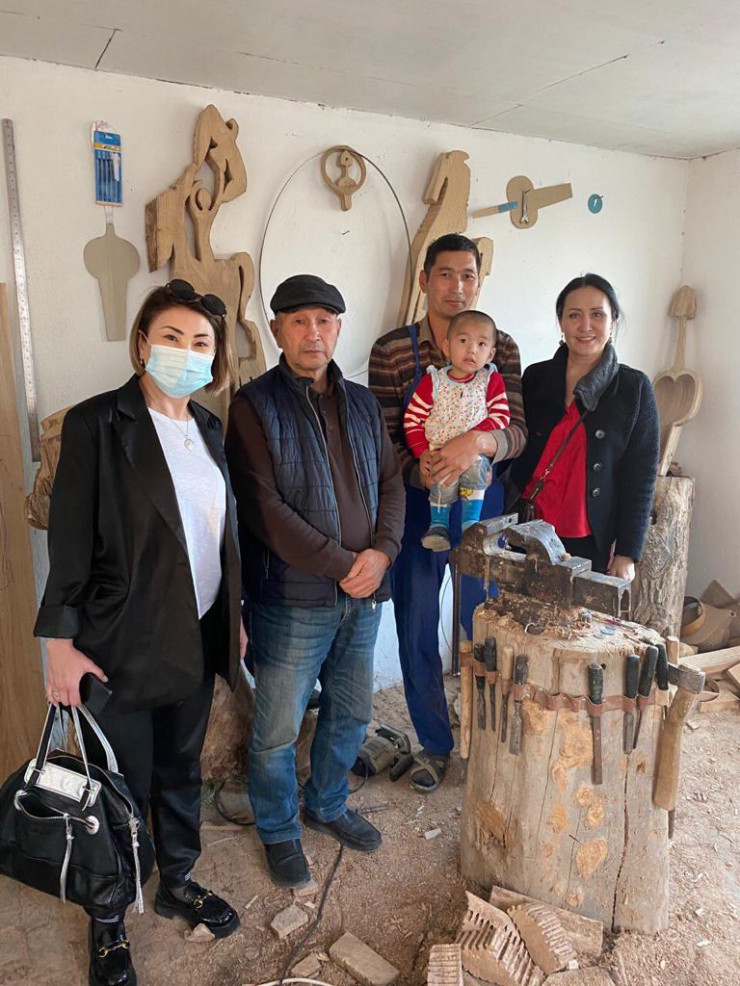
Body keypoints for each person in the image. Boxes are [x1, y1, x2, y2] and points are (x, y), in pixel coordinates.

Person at [34, 279, 245, 986]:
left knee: (182, 770)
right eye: (172, 337)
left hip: (196, 635)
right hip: (117, 643)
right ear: (142, 344)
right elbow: (69, 541)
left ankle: (177, 879)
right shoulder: (99, 423)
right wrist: (58, 644)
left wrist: (234, 621)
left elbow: (218, 538)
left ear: (215, 357)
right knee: (113, 789)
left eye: (201, 342)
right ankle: (108, 919)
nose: (187, 352)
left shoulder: (208, 427)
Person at [225, 274, 405, 889]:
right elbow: (264, 510)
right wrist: (343, 565)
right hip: (292, 601)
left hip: (364, 596)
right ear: (277, 329)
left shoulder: (362, 403)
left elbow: (391, 483)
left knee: (351, 713)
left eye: (324, 321)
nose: (313, 333)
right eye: (299, 321)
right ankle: (278, 829)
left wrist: (382, 554)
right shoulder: (253, 406)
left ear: (338, 329)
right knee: (277, 729)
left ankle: (327, 804)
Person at [369, 234, 527, 792]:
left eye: (468, 275)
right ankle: (435, 745)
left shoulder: (500, 344)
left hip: (483, 503)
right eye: (445, 274)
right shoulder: (392, 351)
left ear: (479, 281)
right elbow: (384, 440)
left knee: (486, 622)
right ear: (424, 280)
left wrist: (477, 445)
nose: (457, 286)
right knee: (415, 623)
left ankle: (492, 742)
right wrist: (427, 469)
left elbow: (517, 431)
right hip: (418, 505)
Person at [506, 273, 659, 580]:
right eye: (574, 315)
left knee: (578, 611)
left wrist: (627, 552)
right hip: (526, 527)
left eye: (597, 315)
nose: (585, 326)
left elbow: (640, 478)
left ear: (613, 321)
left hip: (589, 537)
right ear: (561, 322)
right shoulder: (535, 378)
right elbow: (514, 447)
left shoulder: (634, 388)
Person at [404, 310, 510, 551]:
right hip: (439, 453)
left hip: (475, 454)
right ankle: (438, 525)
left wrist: (471, 440)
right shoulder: (433, 381)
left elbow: (501, 417)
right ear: (447, 347)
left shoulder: (491, 381)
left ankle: (470, 525)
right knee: (442, 479)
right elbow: (413, 419)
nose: (471, 350)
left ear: (490, 354)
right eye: (463, 341)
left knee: (476, 474)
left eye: (481, 344)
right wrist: (422, 452)